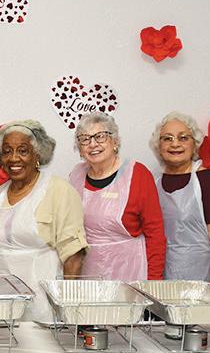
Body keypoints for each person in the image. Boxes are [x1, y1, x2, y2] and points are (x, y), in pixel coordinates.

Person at [0, 120, 87, 324]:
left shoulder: (59, 190)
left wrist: (68, 311)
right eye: (7, 151)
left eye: (23, 151)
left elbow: (74, 254)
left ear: (37, 154)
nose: (14, 158)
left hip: (43, 304)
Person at [68, 112, 165, 281]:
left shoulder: (137, 174)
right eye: (85, 139)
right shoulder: (75, 175)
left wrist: (153, 283)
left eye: (100, 136)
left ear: (115, 142)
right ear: (80, 149)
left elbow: (155, 234)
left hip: (129, 273)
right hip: (87, 273)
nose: (92, 144)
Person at [150, 112, 210, 284]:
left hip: (201, 280)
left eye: (183, 138)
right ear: (158, 146)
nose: (175, 144)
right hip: (160, 281)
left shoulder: (208, 181)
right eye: (167, 138)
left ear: (195, 144)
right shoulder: (152, 182)